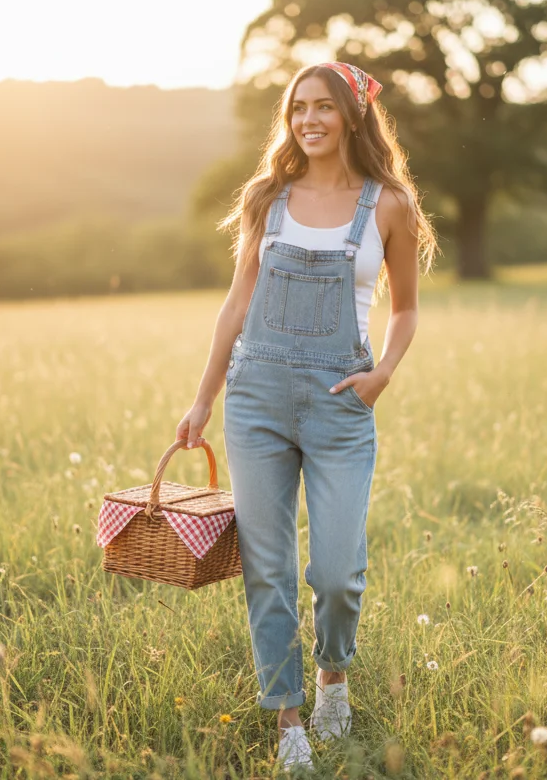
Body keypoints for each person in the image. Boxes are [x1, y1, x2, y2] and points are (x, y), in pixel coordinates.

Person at [176, 61, 438, 771]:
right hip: (255, 396)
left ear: (353, 116)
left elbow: (407, 307)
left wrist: (380, 375)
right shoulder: (269, 197)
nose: (308, 120)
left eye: (323, 107)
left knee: (335, 572)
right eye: (298, 109)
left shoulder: (388, 205)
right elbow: (237, 302)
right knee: (267, 566)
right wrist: (204, 397)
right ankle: (287, 718)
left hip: (338, 405)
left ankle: (332, 678)